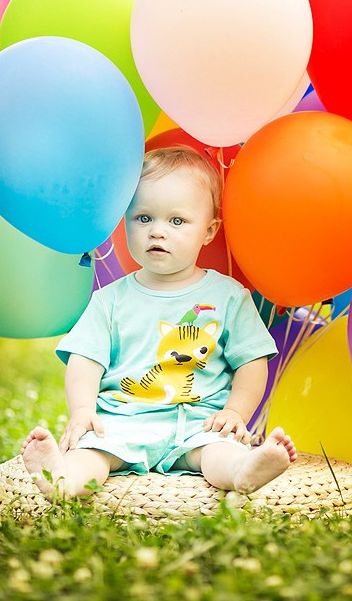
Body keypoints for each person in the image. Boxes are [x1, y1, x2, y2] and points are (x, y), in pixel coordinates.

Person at [21, 146, 296, 498]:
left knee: (220, 451)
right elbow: (85, 360)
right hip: (123, 421)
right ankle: (66, 479)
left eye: (177, 221)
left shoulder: (229, 296)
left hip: (201, 422)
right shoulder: (109, 299)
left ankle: (243, 471)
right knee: (94, 454)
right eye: (144, 218)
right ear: (125, 221)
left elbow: (252, 361)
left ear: (209, 231)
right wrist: (83, 410)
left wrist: (235, 411)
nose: (157, 232)